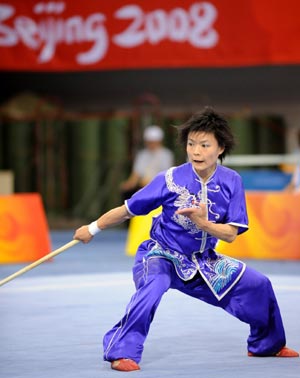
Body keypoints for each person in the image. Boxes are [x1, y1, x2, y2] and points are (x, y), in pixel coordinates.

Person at [74, 107, 299, 372]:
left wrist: (203, 224)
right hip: (162, 254)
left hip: (205, 262)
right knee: (152, 287)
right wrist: (92, 228)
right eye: (192, 144)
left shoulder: (232, 182)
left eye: (204, 145)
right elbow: (127, 210)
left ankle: (266, 344)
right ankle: (121, 352)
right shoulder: (169, 179)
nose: (196, 151)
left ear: (220, 148)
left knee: (259, 285)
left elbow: (231, 234)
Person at [120, 125, 174, 200]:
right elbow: (136, 173)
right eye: (149, 142)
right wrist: (129, 184)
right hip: (142, 186)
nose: (151, 144)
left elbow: (166, 175)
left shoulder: (166, 155)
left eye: (153, 142)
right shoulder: (142, 155)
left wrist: (150, 183)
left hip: (159, 187)